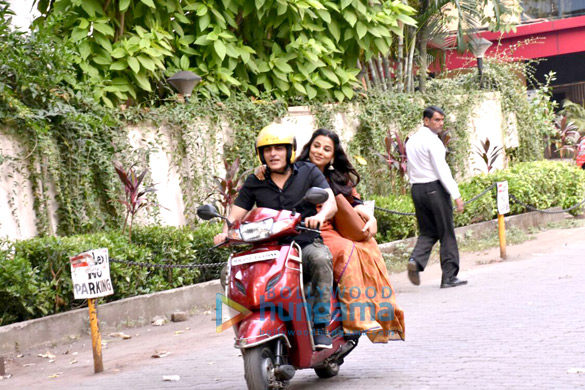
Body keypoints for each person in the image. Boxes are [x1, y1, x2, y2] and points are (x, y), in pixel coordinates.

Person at [256, 128, 405, 343]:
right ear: (308, 147)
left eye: (326, 149)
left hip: (325, 228)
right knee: (346, 251)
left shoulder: (334, 177)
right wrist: (260, 169)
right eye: (316, 146)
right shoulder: (291, 169)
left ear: (333, 156)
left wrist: (370, 218)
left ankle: (362, 317)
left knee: (361, 249)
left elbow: (354, 203)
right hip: (296, 231)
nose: (319, 152)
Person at [213, 124, 337, 349]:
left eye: (279, 148)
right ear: (261, 154)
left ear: (290, 151)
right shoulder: (255, 181)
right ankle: (247, 324)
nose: (273, 154)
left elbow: (330, 201)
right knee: (229, 273)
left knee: (320, 259)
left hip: (303, 243)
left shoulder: (308, 171)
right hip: (267, 249)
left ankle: (320, 326)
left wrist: (321, 216)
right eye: (268, 150)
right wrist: (225, 233)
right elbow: (236, 214)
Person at [405, 106, 467, 289]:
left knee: (428, 231)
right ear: (426, 121)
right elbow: (442, 170)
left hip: (417, 189)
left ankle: (416, 260)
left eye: (441, 120)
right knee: (446, 232)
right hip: (434, 188)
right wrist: (456, 195)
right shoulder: (433, 142)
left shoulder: (411, 141)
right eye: (436, 120)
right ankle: (449, 276)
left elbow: (409, 168)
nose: (440, 123)